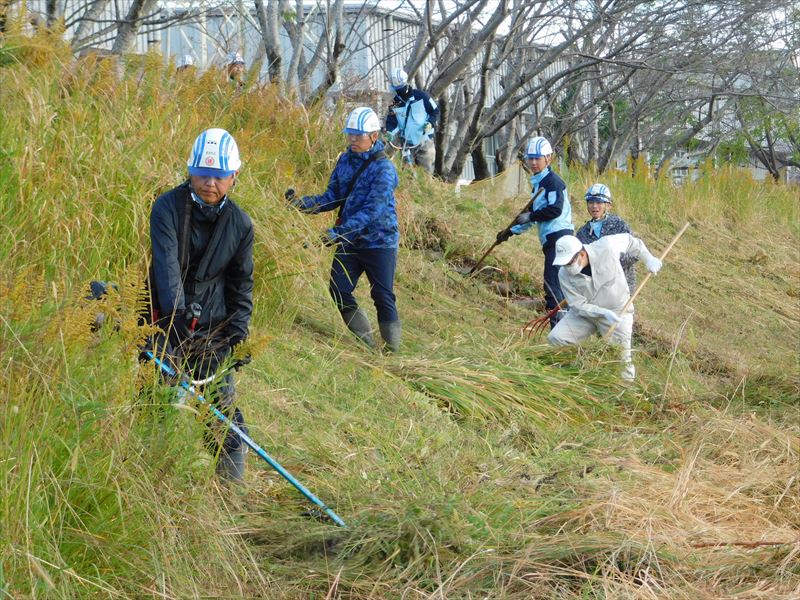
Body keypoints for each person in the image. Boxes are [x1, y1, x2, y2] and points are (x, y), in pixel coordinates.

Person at [149, 128, 254, 482]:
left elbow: (241, 284)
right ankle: (149, 477)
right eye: (203, 173)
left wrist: (238, 331)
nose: (210, 183)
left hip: (214, 328)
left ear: (233, 177)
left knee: (223, 416)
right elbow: (166, 266)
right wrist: (176, 313)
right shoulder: (167, 207)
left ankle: (230, 492)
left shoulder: (240, 224)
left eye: (219, 175)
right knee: (156, 401)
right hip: (166, 320)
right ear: (190, 170)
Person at [286, 107, 401, 352]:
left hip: (379, 241)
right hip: (350, 241)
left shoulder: (384, 170)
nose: (352, 140)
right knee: (338, 290)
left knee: (382, 296)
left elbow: (372, 212)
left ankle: (393, 352)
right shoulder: (345, 159)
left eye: (357, 136)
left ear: (373, 136)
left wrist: (336, 234)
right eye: (350, 134)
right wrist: (300, 204)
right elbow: (333, 196)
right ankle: (369, 344)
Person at [547, 234, 663, 381]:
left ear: (581, 254)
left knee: (621, 358)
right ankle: (569, 373)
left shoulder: (606, 246)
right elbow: (577, 305)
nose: (567, 268)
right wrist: (601, 312)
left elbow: (631, 242)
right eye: (564, 264)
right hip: (586, 313)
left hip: (618, 311)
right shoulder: (564, 274)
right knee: (557, 338)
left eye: (569, 263)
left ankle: (625, 391)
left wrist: (648, 259)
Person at [496, 136, 573, 327]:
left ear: (549, 158)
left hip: (560, 239)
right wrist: (510, 231)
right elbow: (531, 213)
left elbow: (554, 209)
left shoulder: (553, 182)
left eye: (537, 158)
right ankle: (566, 325)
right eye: (530, 158)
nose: (533, 162)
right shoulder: (539, 184)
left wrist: (531, 217)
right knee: (557, 283)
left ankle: (559, 327)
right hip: (551, 240)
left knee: (553, 283)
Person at [575, 183, 637, 294]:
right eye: (590, 202)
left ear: (608, 205)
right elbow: (579, 261)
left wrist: (609, 263)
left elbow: (634, 252)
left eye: (599, 202)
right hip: (596, 291)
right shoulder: (582, 233)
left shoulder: (619, 226)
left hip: (621, 288)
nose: (594, 206)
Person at [384, 67, 439, 174]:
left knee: (425, 175)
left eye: (401, 87)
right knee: (407, 174)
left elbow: (435, 111)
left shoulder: (422, 96)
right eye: (397, 88)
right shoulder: (395, 104)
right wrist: (389, 132)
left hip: (424, 142)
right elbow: (391, 122)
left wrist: (430, 123)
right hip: (406, 144)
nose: (399, 90)